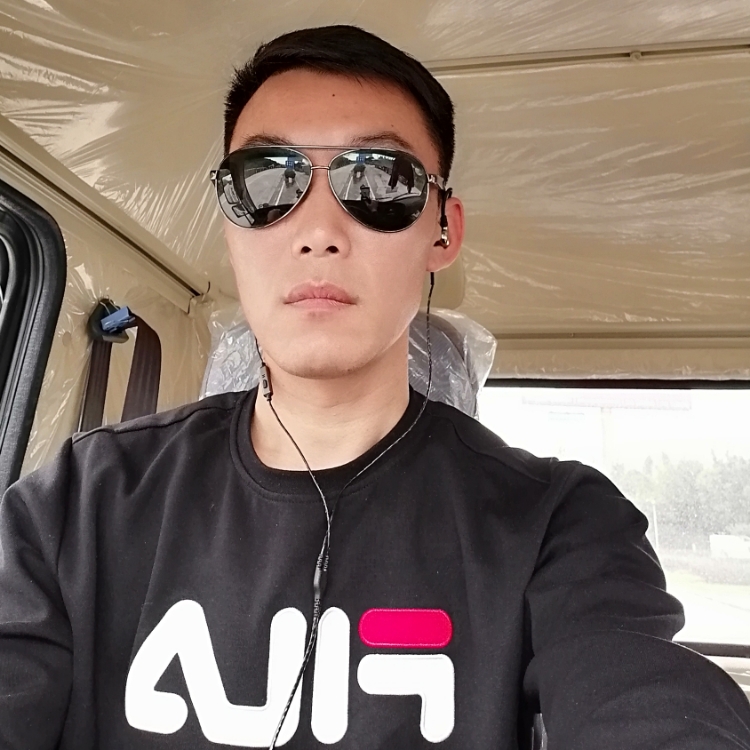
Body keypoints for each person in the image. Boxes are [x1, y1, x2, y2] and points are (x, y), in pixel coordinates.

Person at [1, 24, 749, 750]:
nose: (319, 230)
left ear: (443, 231)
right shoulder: (81, 500)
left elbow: (644, 697)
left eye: (380, 181)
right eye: (267, 181)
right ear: (230, 224)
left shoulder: (558, 525)